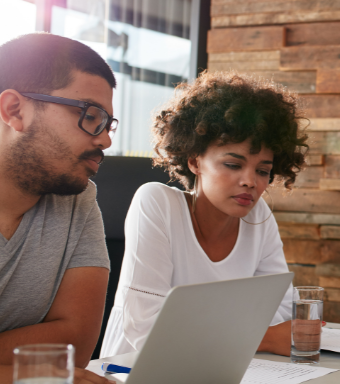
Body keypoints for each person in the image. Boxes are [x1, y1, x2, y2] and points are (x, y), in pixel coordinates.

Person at [99, 71, 308, 358]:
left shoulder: (258, 217)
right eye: (233, 165)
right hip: (130, 376)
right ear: (195, 161)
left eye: (262, 170)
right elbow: (149, 332)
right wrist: (264, 338)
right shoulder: (156, 203)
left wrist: (223, 332)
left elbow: (283, 312)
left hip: (223, 368)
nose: (251, 181)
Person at [0, 33, 122, 384]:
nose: (105, 141)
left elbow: (75, 346)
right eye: (90, 116)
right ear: (15, 111)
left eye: (107, 123)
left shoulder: (78, 199)